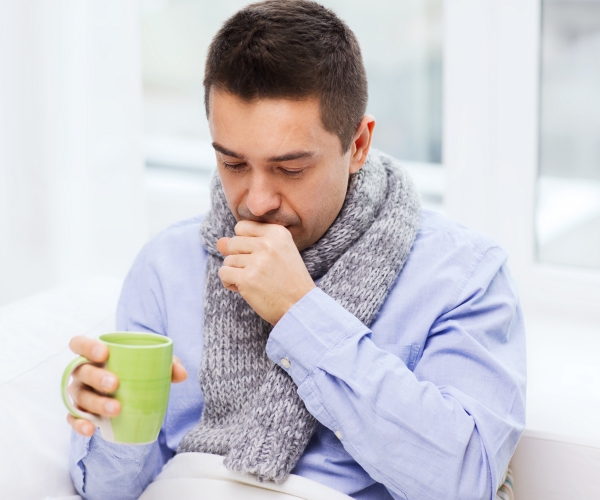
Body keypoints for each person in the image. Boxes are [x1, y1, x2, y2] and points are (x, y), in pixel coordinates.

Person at [67, 1, 526, 499]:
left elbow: (464, 482)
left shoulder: (461, 274)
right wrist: (109, 421)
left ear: (359, 145)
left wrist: (301, 313)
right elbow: (110, 493)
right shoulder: (166, 265)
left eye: (290, 169)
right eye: (234, 164)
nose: (257, 201)